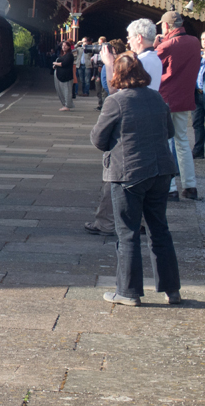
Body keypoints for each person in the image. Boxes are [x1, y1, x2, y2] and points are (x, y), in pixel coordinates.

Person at [90, 53, 181, 306]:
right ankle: (172, 290)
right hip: (161, 172)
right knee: (159, 230)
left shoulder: (115, 101)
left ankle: (128, 292)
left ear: (117, 76)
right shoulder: (157, 97)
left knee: (128, 233)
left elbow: (98, 139)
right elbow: (169, 132)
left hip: (128, 174)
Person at [153, 11, 200, 201]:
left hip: (166, 97)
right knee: (182, 141)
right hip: (185, 98)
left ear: (165, 26)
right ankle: (190, 186)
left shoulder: (167, 46)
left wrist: (157, 45)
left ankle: (170, 187)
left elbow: (151, 64)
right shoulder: (195, 42)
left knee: (166, 141)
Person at [126, 19, 161, 91]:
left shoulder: (139, 62)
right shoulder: (157, 59)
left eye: (129, 38)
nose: (128, 41)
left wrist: (109, 65)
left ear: (139, 38)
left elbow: (121, 92)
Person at [52, 41, 75, 111]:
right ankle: (64, 104)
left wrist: (56, 63)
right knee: (60, 90)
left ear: (68, 47)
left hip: (66, 76)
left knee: (67, 90)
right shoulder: (61, 54)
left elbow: (64, 64)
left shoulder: (70, 55)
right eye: (63, 45)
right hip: (59, 74)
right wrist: (55, 65)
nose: (63, 47)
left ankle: (68, 105)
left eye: (65, 46)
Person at [194, 32, 205, 159]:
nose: (204, 41)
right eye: (202, 39)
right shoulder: (198, 57)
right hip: (197, 93)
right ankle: (198, 150)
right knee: (197, 123)